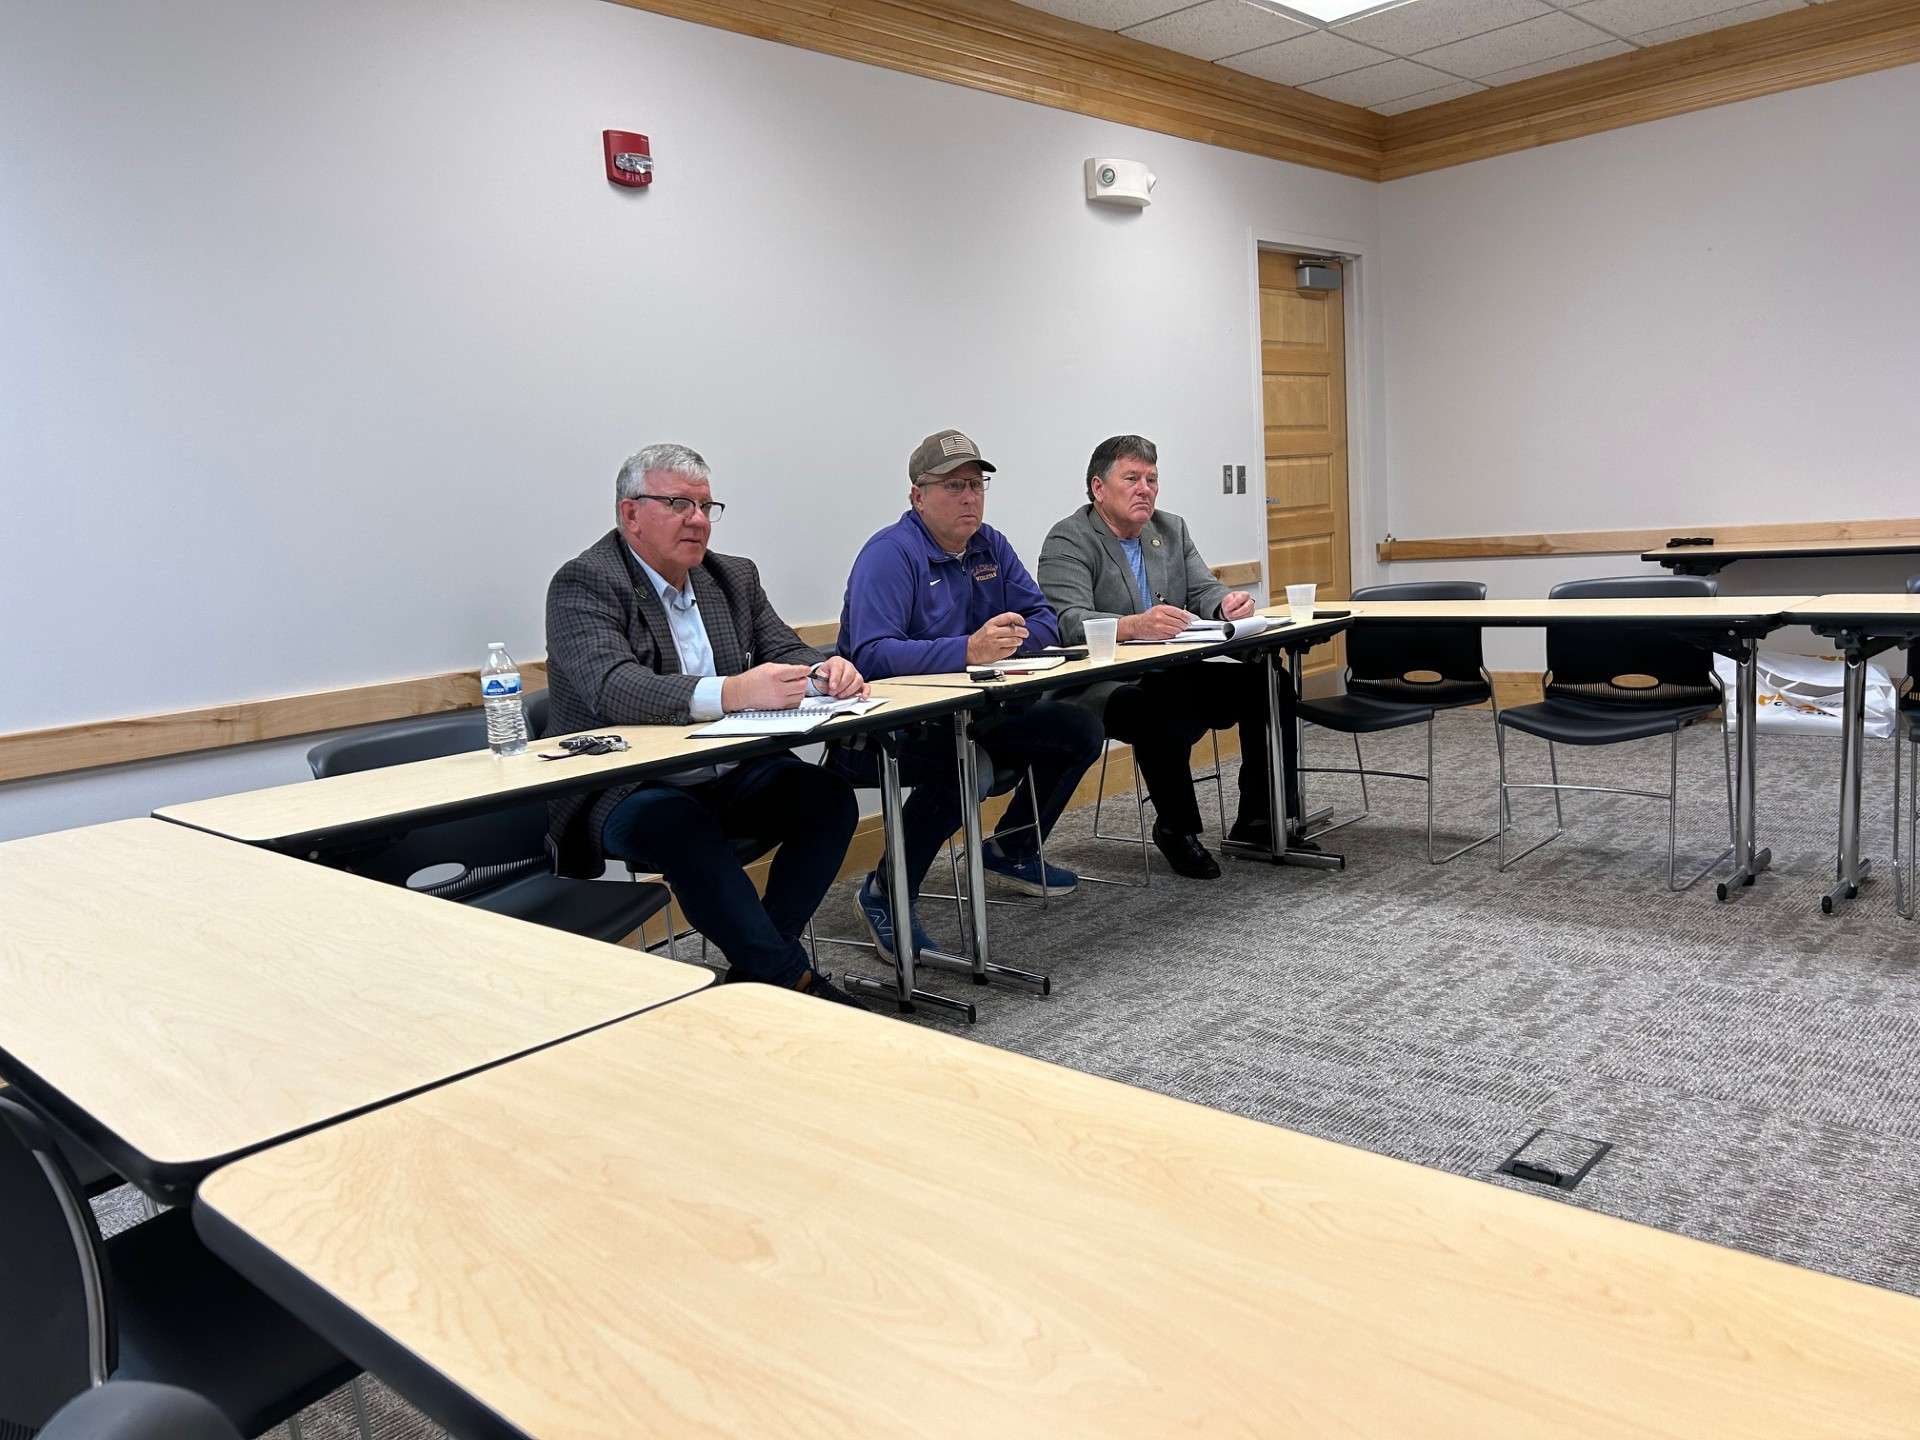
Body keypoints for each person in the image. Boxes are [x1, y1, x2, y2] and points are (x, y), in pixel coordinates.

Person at [545, 442, 868, 1006]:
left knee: (828, 797)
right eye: (678, 504)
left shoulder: (732, 577)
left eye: (705, 507)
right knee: (680, 828)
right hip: (626, 784)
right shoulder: (584, 583)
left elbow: (783, 648)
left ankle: (761, 968)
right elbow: (614, 686)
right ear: (630, 515)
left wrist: (822, 671)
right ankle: (792, 980)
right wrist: (735, 691)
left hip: (725, 769)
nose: (697, 520)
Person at [834, 428, 1103, 962]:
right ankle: (885, 890)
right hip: (890, 727)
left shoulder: (990, 545)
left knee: (1079, 728)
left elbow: (1043, 618)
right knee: (968, 766)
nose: (969, 498)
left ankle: (1013, 847)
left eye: (977, 485)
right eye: (954, 486)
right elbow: (870, 654)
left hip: (976, 711)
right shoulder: (890, 555)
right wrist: (967, 650)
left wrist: (1010, 644)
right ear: (917, 495)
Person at [1037, 434, 1290, 879]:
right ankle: (1176, 828)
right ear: (1099, 488)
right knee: (1157, 709)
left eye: (1151, 479)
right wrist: (1134, 625)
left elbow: (1203, 589)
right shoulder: (1069, 538)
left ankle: (1260, 818)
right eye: (1131, 478)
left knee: (1267, 681)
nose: (1145, 489)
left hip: (1171, 670)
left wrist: (1224, 604)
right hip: (1102, 685)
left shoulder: (1171, 529)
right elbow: (1067, 622)